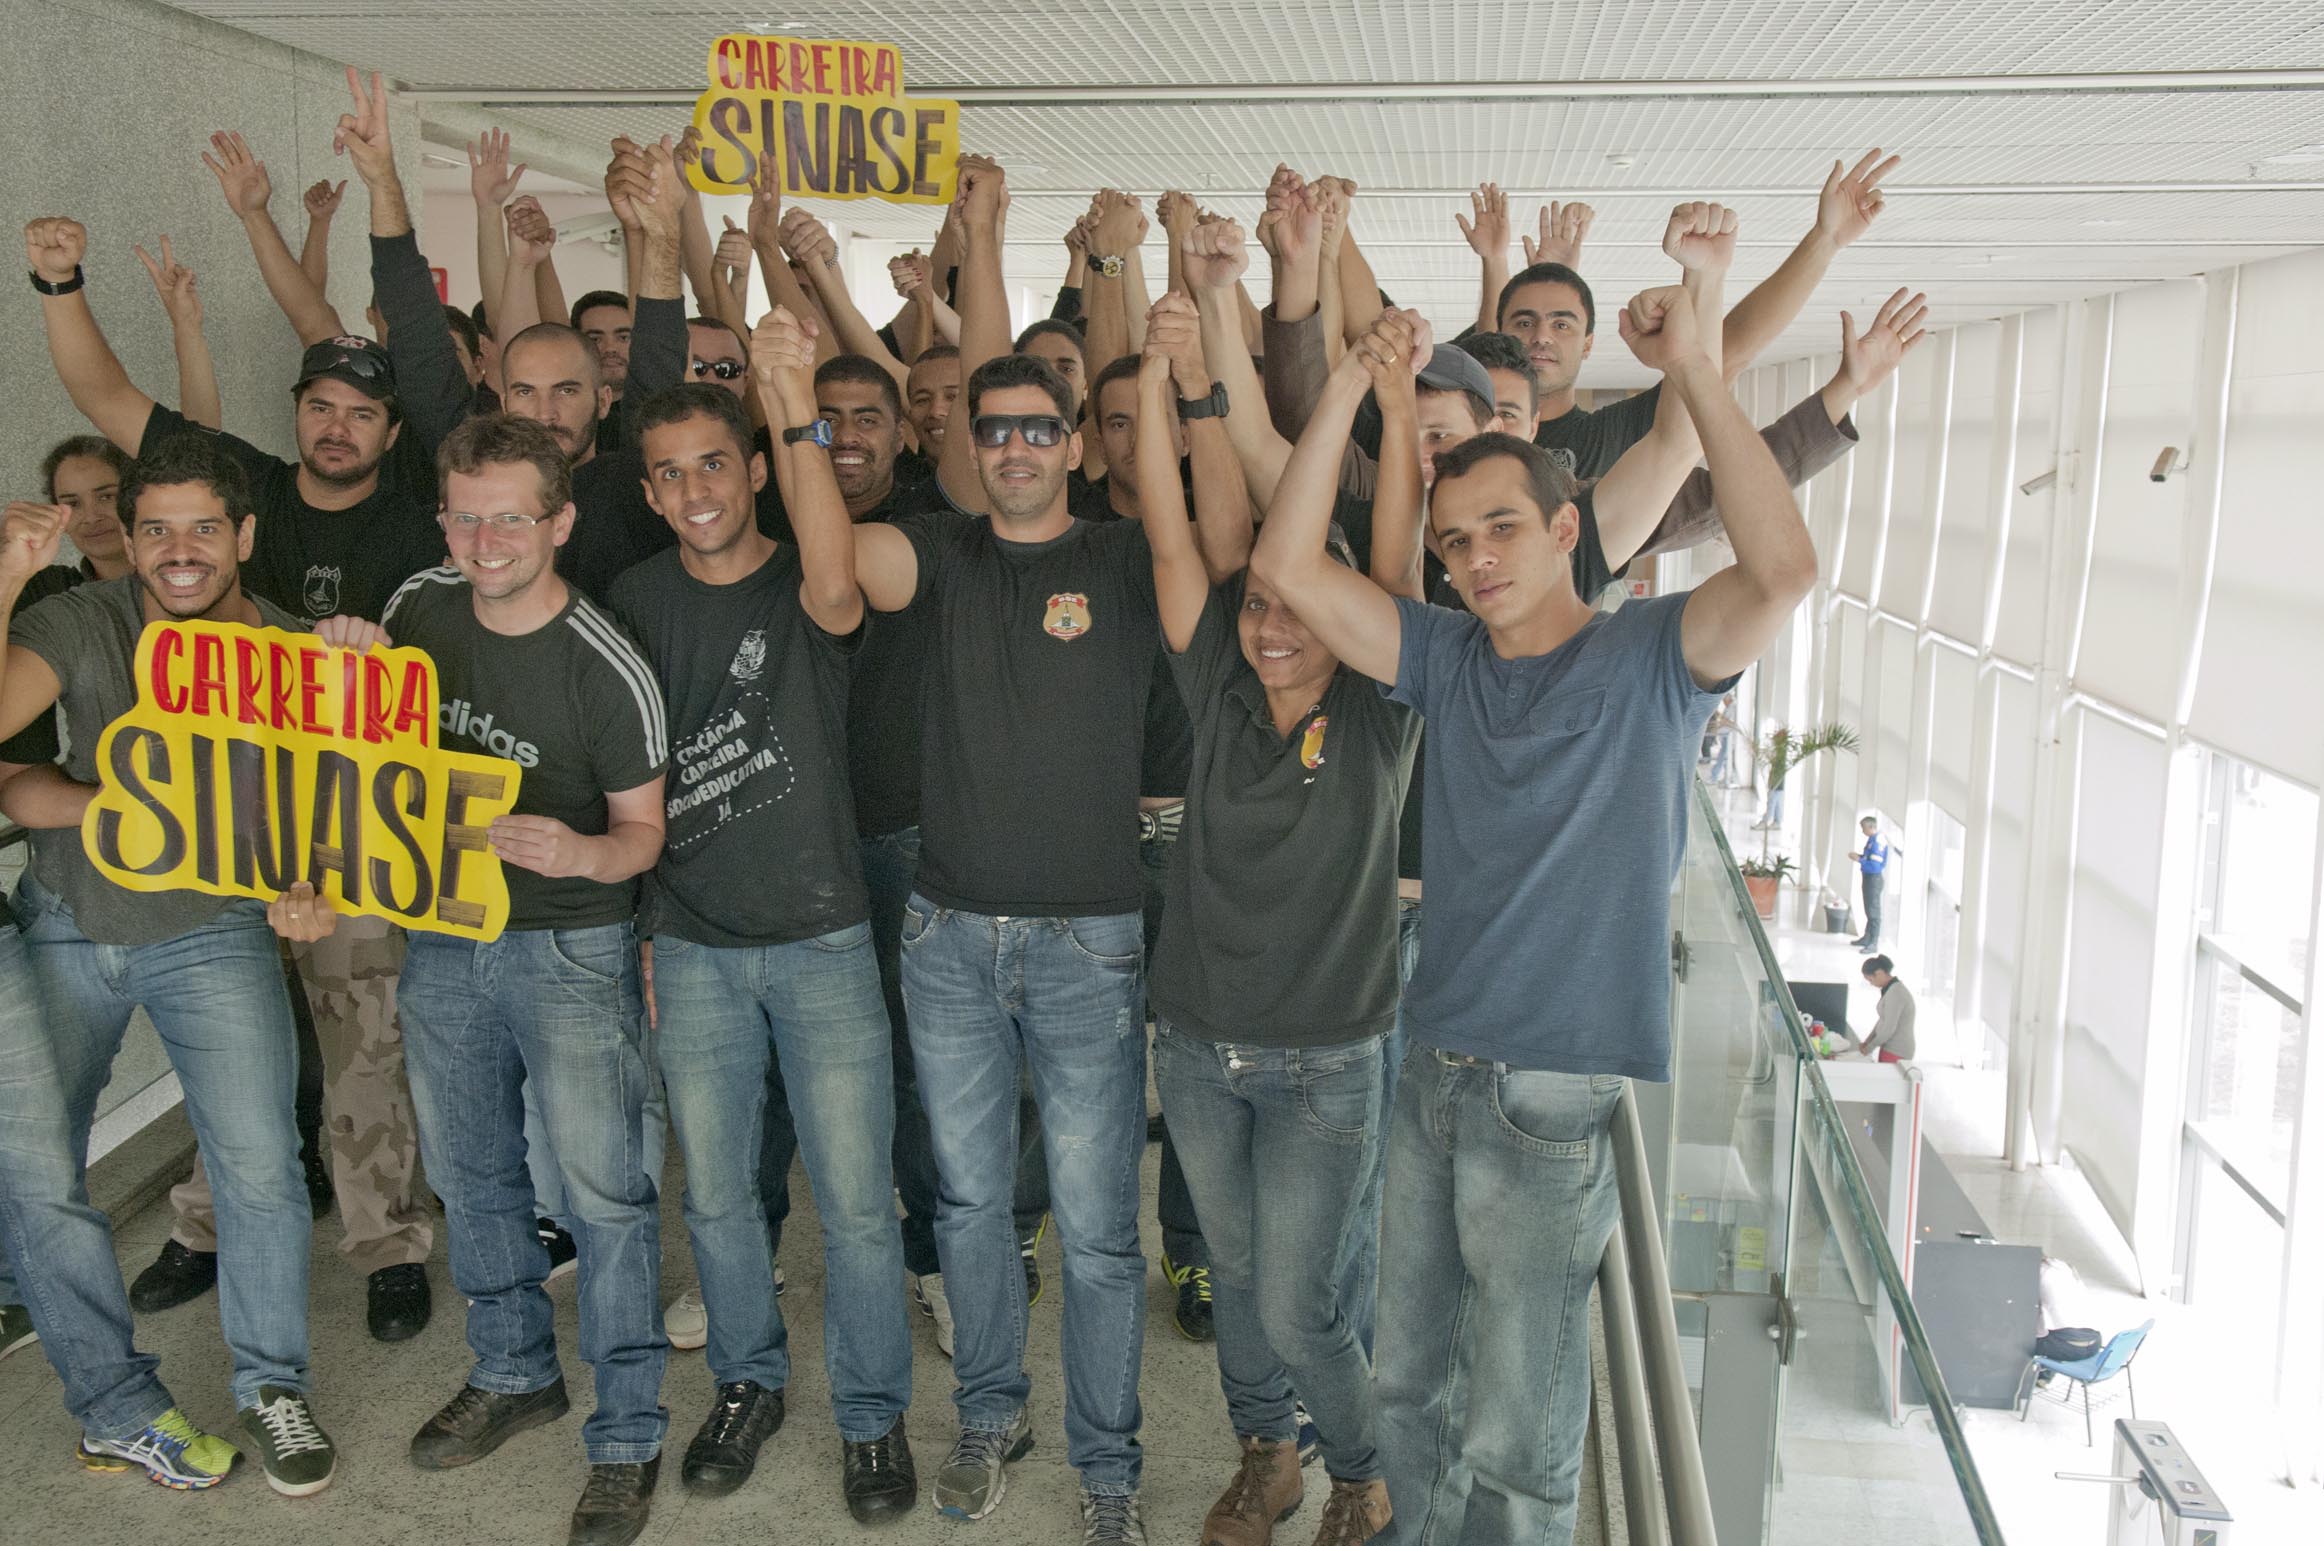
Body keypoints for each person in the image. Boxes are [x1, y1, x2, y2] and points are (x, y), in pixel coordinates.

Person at [1253, 269, 1818, 1543]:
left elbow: (1782, 569)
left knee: (1516, 1433)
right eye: (1455, 541)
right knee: (1406, 1386)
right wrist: (1349, 384)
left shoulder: (1650, 656)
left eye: (1501, 528)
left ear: (1568, 531)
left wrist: (1697, 373)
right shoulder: (1446, 657)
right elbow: (1285, 564)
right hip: (1433, 1064)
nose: (1475, 559)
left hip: (1552, 1091)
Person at [30, 169, 440, 1341]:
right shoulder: (238, 482)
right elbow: (103, 393)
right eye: (320, 404)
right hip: (217, 831)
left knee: (362, 1040)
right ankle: (205, 1226)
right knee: (233, 1056)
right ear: (295, 414)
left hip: (346, 822)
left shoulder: (420, 509)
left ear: (392, 431)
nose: (336, 424)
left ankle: (386, 1241)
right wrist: (59, 283)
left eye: (361, 411)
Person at [844, 156, 1154, 1543]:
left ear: (1076, 447)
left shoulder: (1128, 563)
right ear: (974, 451)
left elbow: (1159, 471)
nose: (1016, 445)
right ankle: (988, 1415)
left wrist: (1016, 244)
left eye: (1042, 427)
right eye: (995, 432)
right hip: (951, 935)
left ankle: (1108, 1469)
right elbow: (975, 384)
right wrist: (978, 236)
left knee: (1095, 1226)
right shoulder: (943, 557)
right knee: (970, 1205)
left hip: (1090, 940)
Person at [333, 411, 669, 1546]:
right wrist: (344, 658)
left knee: (604, 1194)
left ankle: (627, 1431)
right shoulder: (418, 607)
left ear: (559, 523)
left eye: (511, 520)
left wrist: (578, 853)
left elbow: (642, 835)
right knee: (471, 1175)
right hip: (441, 933)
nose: (486, 543)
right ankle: (514, 1370)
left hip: (568, 946)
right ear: (443, 519)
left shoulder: (605, 665)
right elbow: (362, 743)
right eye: (466, 518)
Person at [607, 339, 916, 1518]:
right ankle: (747, 1381)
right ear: (647, 492)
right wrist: (642, 927)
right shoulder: (631, 604)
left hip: (823, 935)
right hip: (691, 943)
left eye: (713, 463)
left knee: (854, 1202)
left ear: (751, 470)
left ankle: (872, 1415)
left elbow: (838, 583)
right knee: (719, 1197)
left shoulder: (810, 578)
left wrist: (789, 400)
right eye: (670, 471)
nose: (694, 488)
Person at [0, 437, 339, 1496]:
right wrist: (5, 577)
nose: (178, 550)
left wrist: (314, 886)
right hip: (67, 919)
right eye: (155, 529)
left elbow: (335, 812)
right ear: (129, 538)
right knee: (37, 1168)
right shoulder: (79, 618)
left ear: (245, 535)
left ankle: (273, 1385)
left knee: (261, 1166)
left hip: (213, 932)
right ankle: (91, 1374)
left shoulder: (295, 653)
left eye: (202, 528)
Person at [1140, 291, 1423, 1545]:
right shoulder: (1214, 679)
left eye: (1297, 606)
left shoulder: (1377, 710)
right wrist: (1157, 382)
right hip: (1200, 1047)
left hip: (1323, 1060)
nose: (1268, 624)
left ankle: (1359, 1470)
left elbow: (1395, 565)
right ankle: (1267, 1456)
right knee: (1241, 1284)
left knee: (1302, 1303)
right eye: (1256, 601)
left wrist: (1369, 392)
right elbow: (1168, 537)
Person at [1858, 956, 1916, 1062]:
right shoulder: (1890, 989)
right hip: (1889, 1048)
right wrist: (1868, 1041)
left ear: (1879, 973)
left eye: (1871, 980)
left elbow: (1889, 1028)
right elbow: (1883, 1020)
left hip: (1897, 1051)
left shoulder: (1896, 992)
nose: (1871, 984)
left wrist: (1870, 1047)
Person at [1851, 815, 1894, 951]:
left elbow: (1875, 865)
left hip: (1873, 879)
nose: (1862, 831)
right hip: (1868, 877)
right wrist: (1860, 857)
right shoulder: (1872, 839)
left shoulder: (1878, 841)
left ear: (1871, 827)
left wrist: (1859, 860)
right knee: (1868, 909)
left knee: (1874, 912)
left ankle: (1873, 942)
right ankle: (1867, 937)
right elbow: (1868, 858)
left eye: (1863, 828)